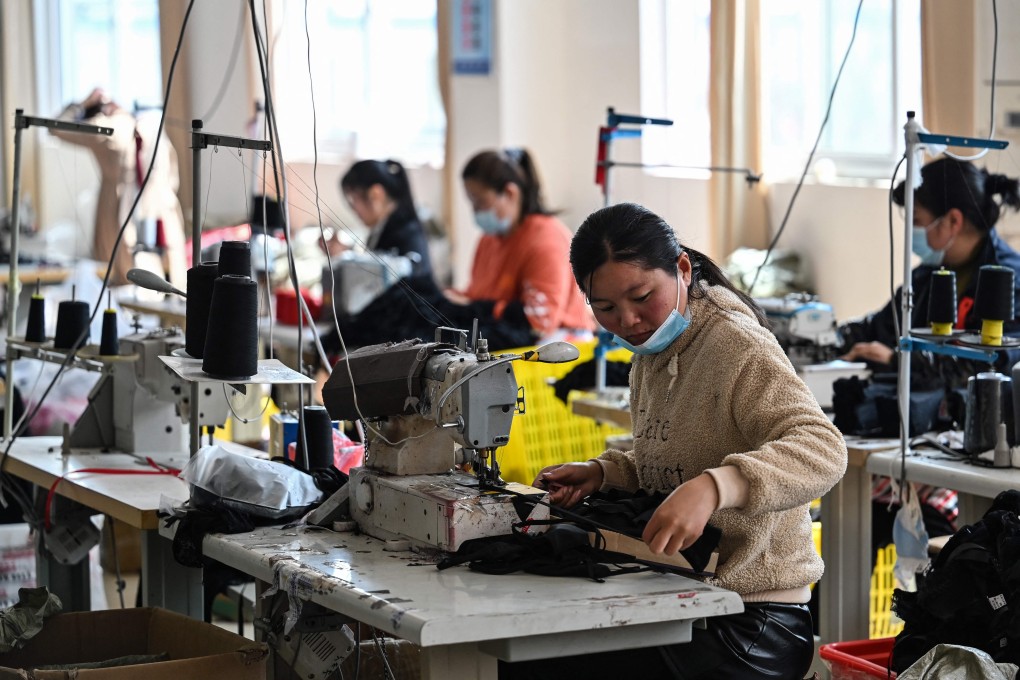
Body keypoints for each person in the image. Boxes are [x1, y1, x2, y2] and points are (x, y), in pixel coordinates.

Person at [503, 203, 847, 680]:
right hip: (687, 592)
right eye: (604, 308)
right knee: (524, 651)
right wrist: (603, 473)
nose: (628, 320)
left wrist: (716, 488)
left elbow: (822, 447)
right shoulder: (653, 351)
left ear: (683, 269)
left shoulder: (735, 344)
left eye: (642, 296)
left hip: (753, 621)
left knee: (541, 663)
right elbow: (671, 455)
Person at [837, 157, 1020, 556]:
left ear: (952, 221)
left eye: (918, 219)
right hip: (921, 446)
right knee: (850, 536)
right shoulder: (929, 278)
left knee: (944, 553)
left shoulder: (1009, 283)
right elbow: (876, 327)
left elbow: (989, 369)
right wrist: (824, 335)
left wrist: (896, 360)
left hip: (973, 451)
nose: (915, 232)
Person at [323, 148, 592, 351]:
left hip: (543, 338)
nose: (475, 212)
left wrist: (483, 306)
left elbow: (538, 322)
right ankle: (333, 344)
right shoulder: (491, 239)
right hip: (494, 321)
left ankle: (330, 346)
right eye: (471, 202)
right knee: (411, 296)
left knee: (420, 329)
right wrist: (455, 298)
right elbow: (475, 295)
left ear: (510, 193)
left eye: (479, 201)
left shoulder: (546, 240)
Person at [51, 87, 186, 287]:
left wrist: (81, 104)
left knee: (128, 290)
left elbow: (56, 127)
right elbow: (173, 177)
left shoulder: (108, 128)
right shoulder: (153, 127)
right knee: (171, 289)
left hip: (122, 217)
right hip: (165, 220)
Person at [324, 159, 433, 279]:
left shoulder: (405, 234)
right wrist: (346, 252)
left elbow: (382, 280)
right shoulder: (390, 227)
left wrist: (345, 259)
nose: (353, 210)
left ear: (375, 194)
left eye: (353, 200)